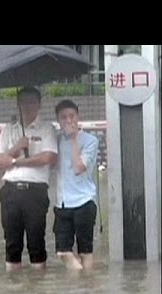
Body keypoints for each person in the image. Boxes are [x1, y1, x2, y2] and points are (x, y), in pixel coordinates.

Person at [0, 87, 58, 271]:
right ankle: (15, 290)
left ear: (39, 104)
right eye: (23, 102)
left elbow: (47, 158)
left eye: (32, 102)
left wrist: (16, 162)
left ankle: (37, 291)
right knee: (12, 243)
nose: (27, 106)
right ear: (18, 104)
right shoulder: (8, 130)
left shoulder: (47, 129)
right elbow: (0, 161)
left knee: (36, 241)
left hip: (35, 192)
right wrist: (16, 147)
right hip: (10, 191)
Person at [53, 100, 99, 270]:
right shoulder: (56, 140)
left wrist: (73, 140)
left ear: (78, 117)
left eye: (71, 116)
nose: (68, 121)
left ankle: (85, 287)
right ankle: (80, 280)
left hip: (84, 201)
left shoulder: (90, 141)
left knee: (85, 250)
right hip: (62, 203)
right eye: (63, 117)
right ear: (58, 120)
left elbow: (79, 167)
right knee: (62, 252)